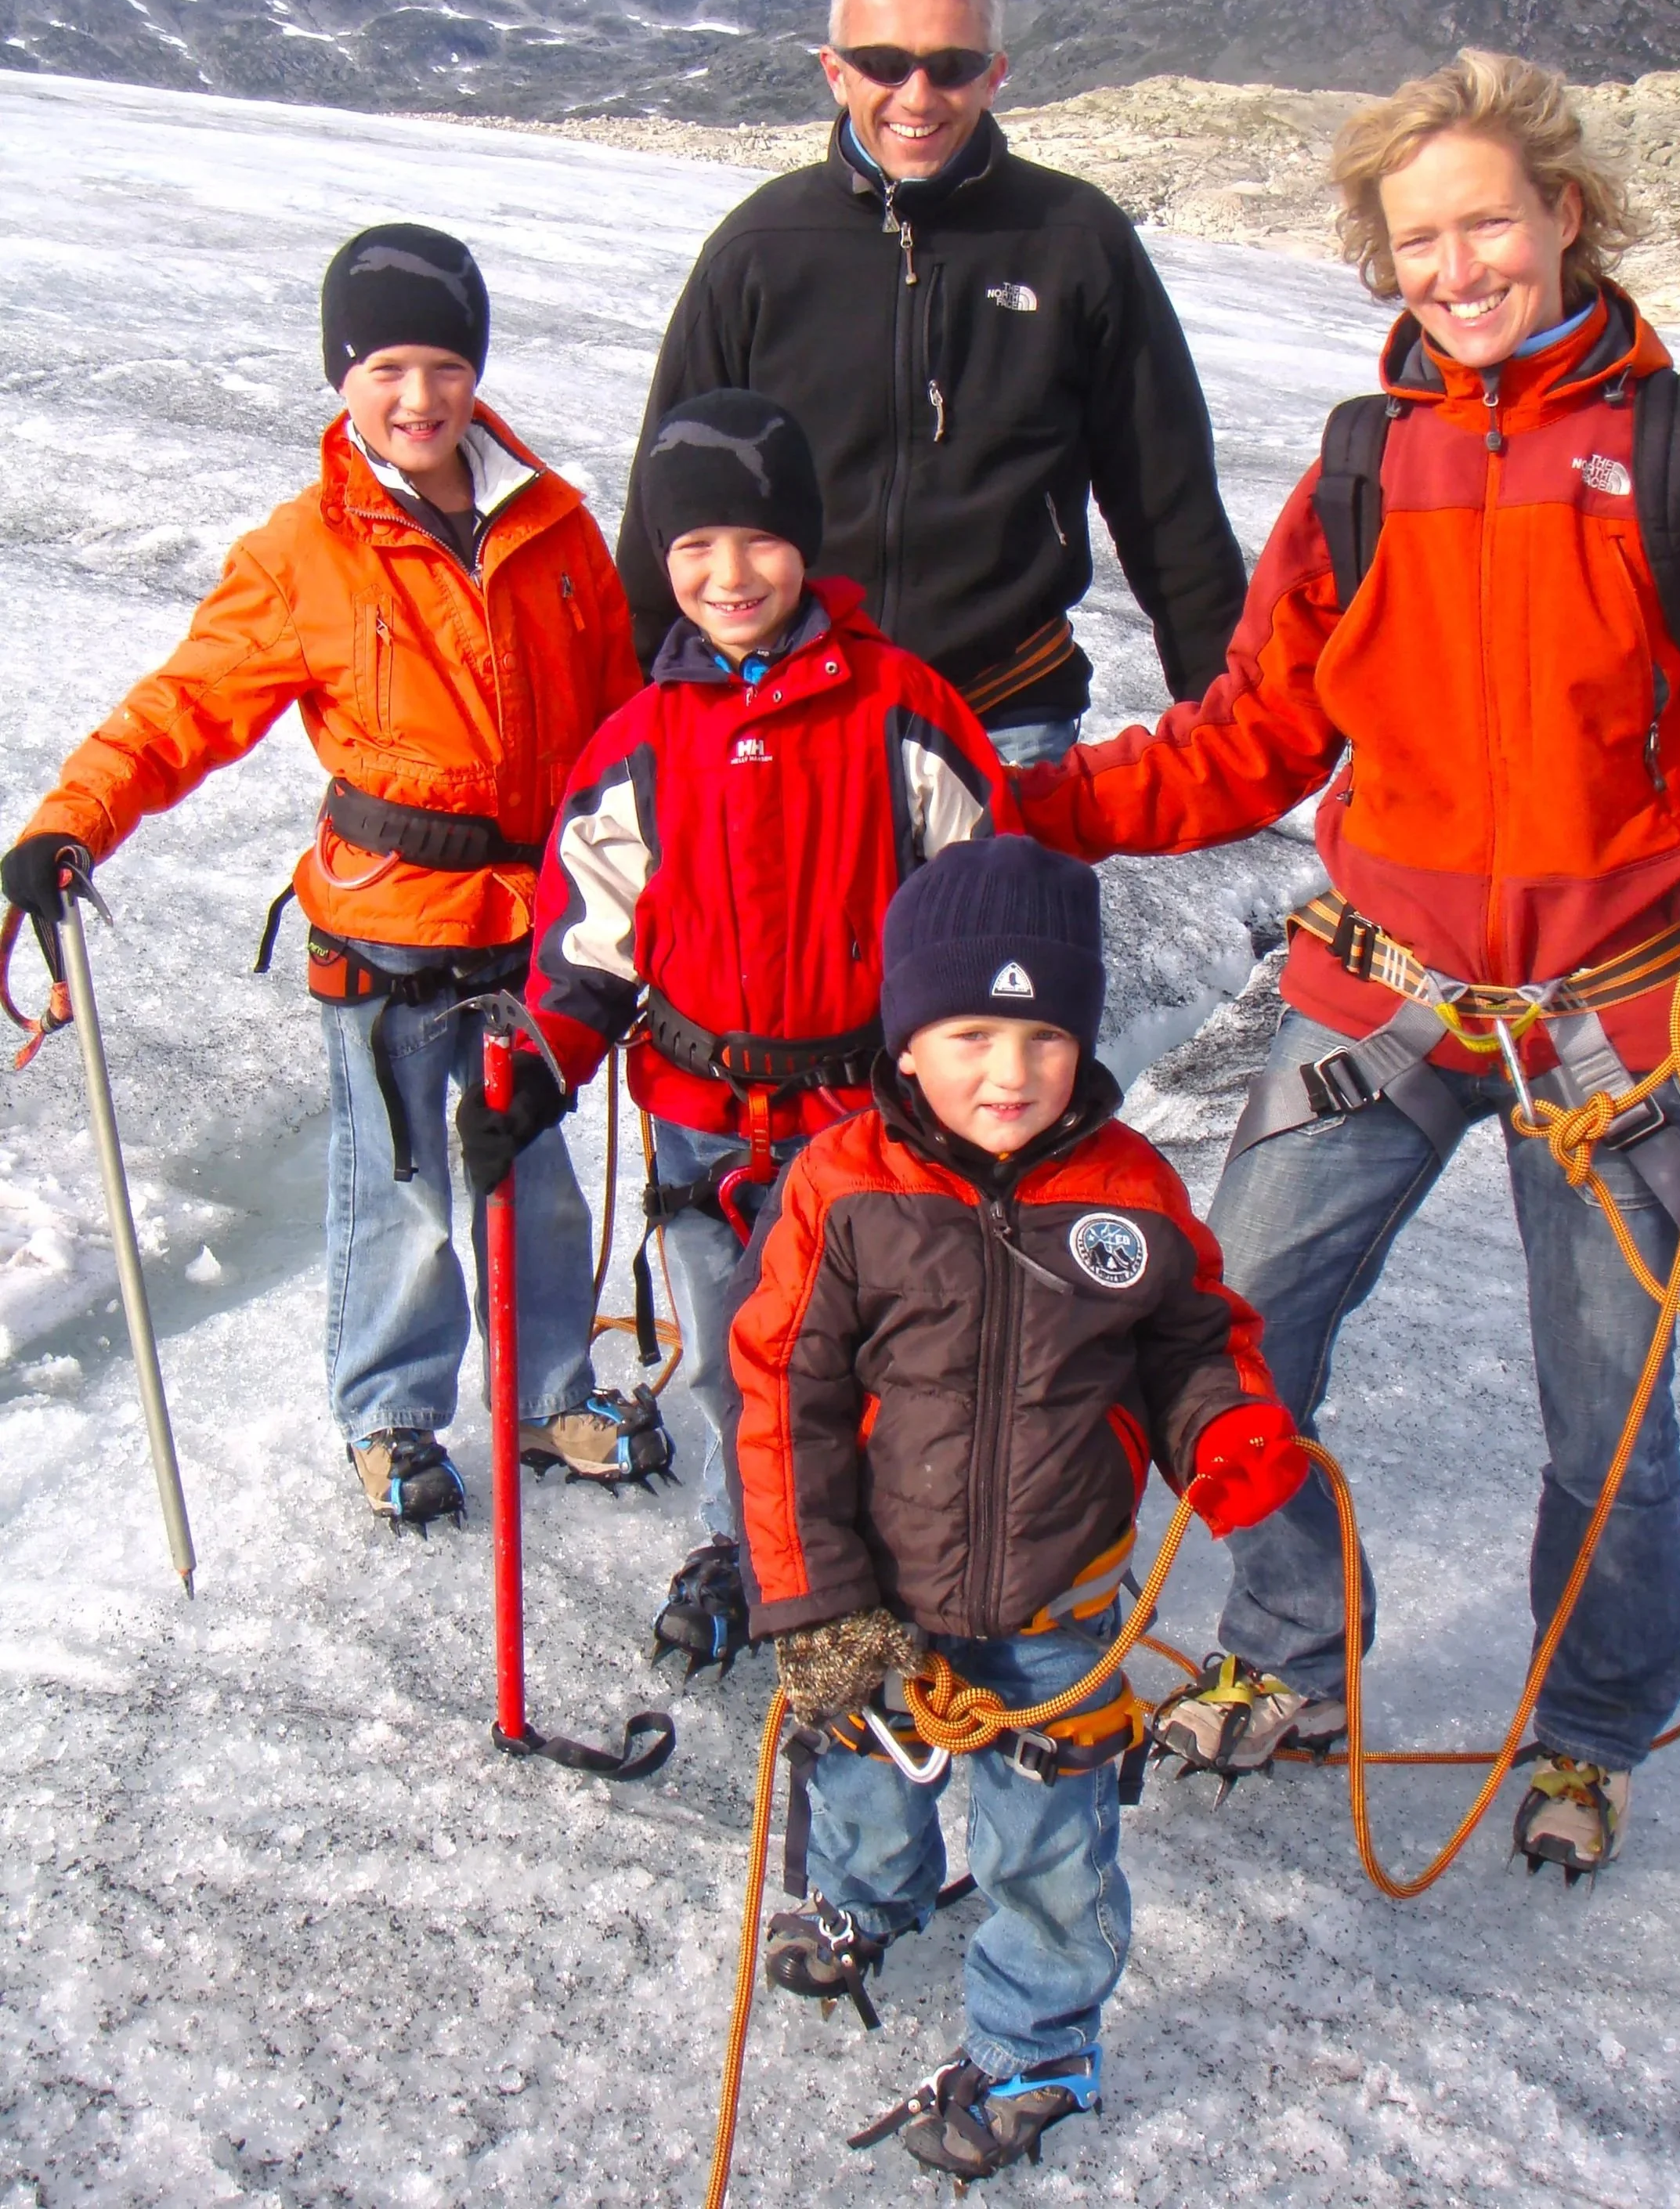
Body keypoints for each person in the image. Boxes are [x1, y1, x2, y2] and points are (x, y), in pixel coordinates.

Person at [1013, 52, 1680, 1875]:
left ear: (1565, 212)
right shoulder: (1361, 472)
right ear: (1379, 260)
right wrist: (1037, 813)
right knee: (1229, 1333)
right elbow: (1250, 739)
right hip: (1379, 991)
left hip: (1616, 1012)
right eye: (1419, 241)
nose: (1460, 268)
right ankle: (1296, 1652)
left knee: (1605, 1418)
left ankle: (1588, 1727)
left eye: (1490, 220)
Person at [0, 224, 649, 1526]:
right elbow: (184, 706)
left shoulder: (559, 529)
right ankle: (394, 1418)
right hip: (389, 928)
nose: (421, 398)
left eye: (446, 366)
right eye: (390, 367)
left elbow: (627, 722)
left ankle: (553, 1396)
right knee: (402, 1190)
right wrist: (71, 821)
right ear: (344, 376)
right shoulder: (306, 551)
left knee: (535, 1176)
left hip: (536, 926)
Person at [727, 834, 1308, 2181]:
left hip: (1059, 1612)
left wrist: (1221, 1429)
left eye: (1043, 1038)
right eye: (971, 1033)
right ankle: (868, 1900)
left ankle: (1038, 2044)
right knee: (866, 1775)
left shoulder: (1128, 1192)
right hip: (879, 1594)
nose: (1010, 1073)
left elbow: (1188, 1340)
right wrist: (816, 1600)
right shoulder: (845, 1190)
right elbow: (778, 1396)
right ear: (907, 1040)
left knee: (1050, 1843)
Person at [461, 389, 1020, 1678]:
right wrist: (538, 1079)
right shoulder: (642, 741)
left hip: (866, 1121)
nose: (729, 573)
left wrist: (973, 1087)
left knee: (874, 1370)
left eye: (758, 541)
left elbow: (985, 909)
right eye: (694, 547)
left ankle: (887, 1569)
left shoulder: (901, 707)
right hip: (698, 1116)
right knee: (730, 1366)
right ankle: (751, 1550)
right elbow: (586, 944)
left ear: (805, 545)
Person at [618, 0, 1248, 770]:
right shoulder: (759, 249)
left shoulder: (1073, 241)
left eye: (949, 66)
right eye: (882, 63)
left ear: (994, 74)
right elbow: (671, 497)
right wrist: (635, 723)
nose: (916, 96)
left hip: (1002, 719)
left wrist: (1230, 710)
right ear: (834, 72)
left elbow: (1163, 491)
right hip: (794, 715)